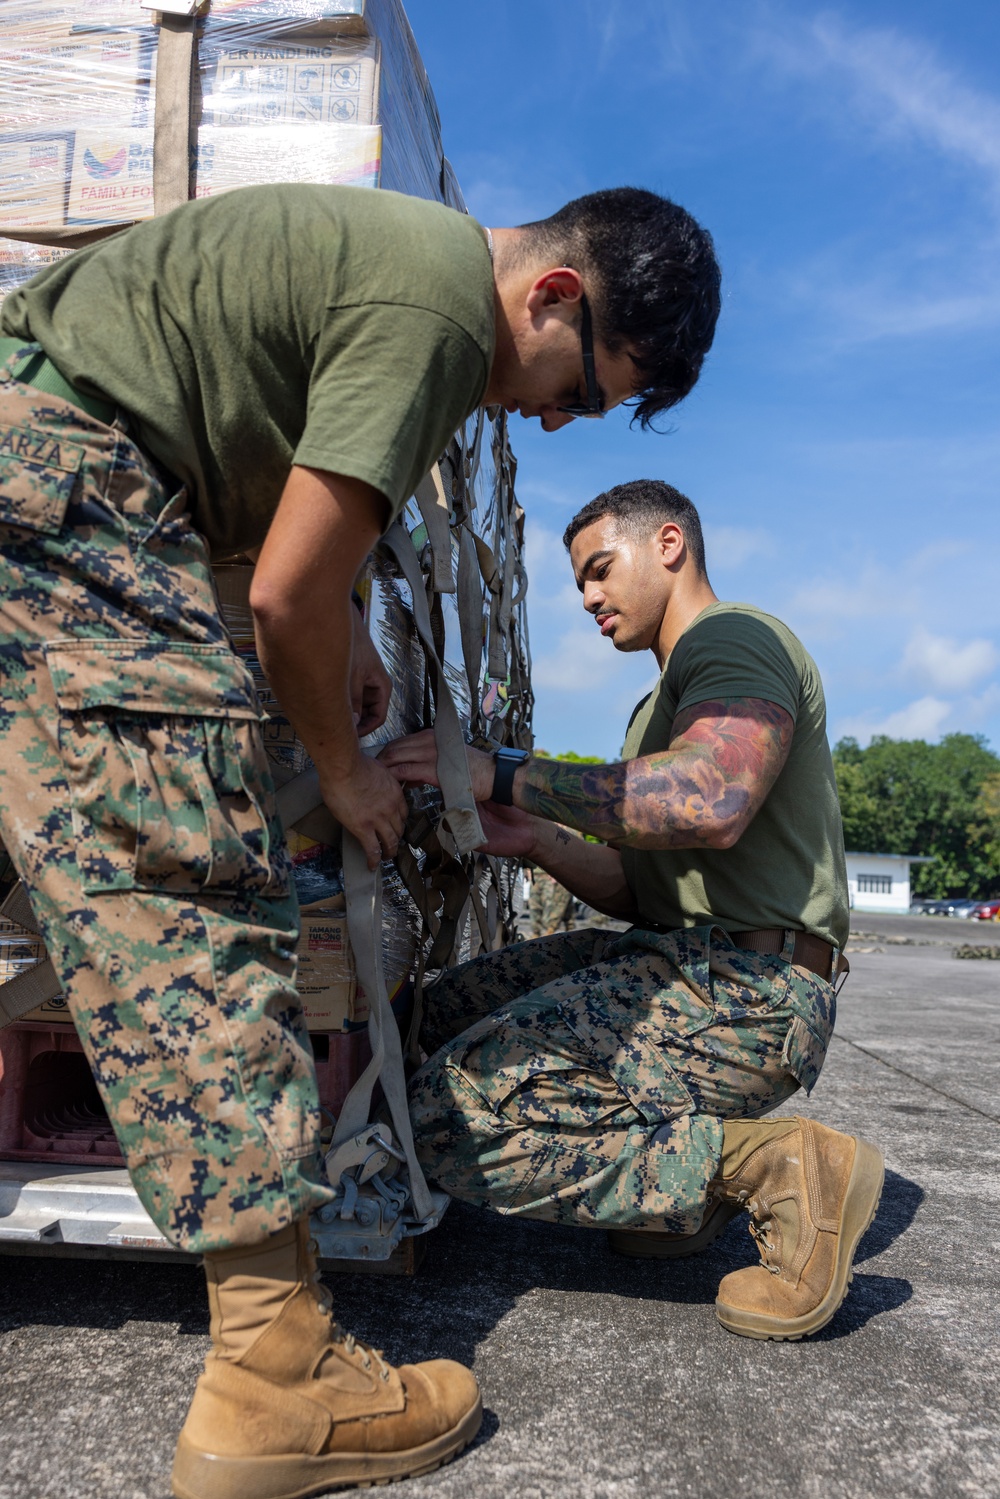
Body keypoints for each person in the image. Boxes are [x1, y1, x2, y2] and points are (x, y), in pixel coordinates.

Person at [0, 187, 721, 1497]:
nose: (549, 419)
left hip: (38, 466)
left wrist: (359, 642)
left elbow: (285, 525)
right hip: (60, 486)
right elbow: (285, 593)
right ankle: (275, 1371)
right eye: (576, 391)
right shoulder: (443, 313)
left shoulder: (386, 265)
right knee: (183, 887)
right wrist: (345, 768)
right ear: (555, 298)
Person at [381, 479, 884, 1343]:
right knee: (423, 1025)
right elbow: (640, 888)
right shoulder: (654, 709)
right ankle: (673, 1190)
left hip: (754, 992)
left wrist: (503, 771)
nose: (588, 598)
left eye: (601, 570)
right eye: (579, 582)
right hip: (679, 959)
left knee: (438, 1116)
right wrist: (536, 836)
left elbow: (712, 795)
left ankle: (767, 1170)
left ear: (670, 544)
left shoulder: (735, 640)